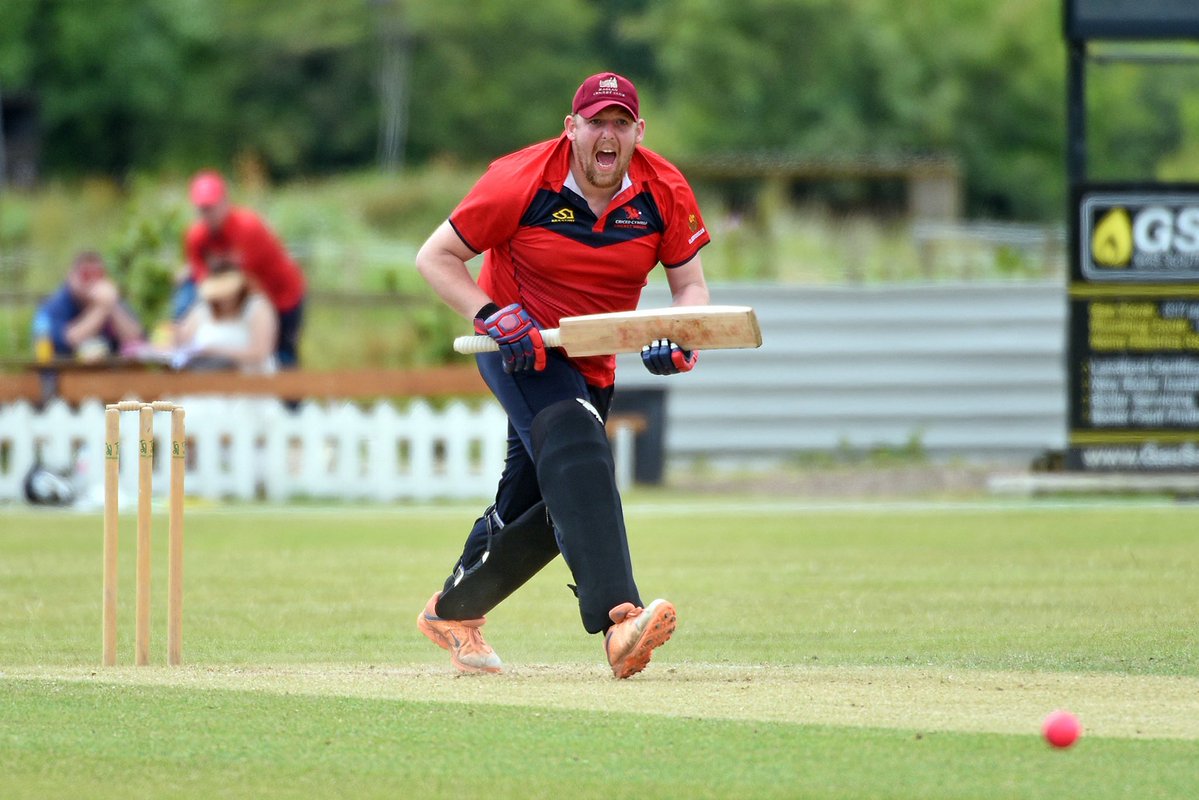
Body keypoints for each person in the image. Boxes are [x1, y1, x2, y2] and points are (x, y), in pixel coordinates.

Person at [413, 72, 711, 679]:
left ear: (638, 133)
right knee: (578, 447)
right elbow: (434, 257)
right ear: (571, 127)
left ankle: (453, 610)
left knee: (549, 504)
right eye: (595, 122)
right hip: (521, 348)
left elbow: (690, 286)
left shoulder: (664, 189)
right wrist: (490, 315)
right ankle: (619, 619)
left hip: (593, 360)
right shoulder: (519, 181)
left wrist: (681, 339)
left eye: (620, 124)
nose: (608, 135)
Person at [180, 171, 306, 368]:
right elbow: (201, 276)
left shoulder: (248, 227)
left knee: (283, 353)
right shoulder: (196, 237)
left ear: (225, 202)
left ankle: (291, 398)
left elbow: (242, 277)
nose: (208, 213)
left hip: (281, 294)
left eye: (211, 207)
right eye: (203, 208)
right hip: (245, 298)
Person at [31, 251, 143, 361]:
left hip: (112, 375)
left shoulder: (112, 301)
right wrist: (102, 309)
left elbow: (135, 339)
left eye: (98, 274)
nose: (92, 281)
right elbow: (69, 340)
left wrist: (112, 306)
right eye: (86, 275)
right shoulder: (55, 305)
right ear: (71, 276)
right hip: (64, 374)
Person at [174, 263, 278, 374]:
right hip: (205, 378)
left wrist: (216, 351)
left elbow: (260, 353)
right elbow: (183, 343)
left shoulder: (257, 307)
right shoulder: (201, 310)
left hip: (248, 380)